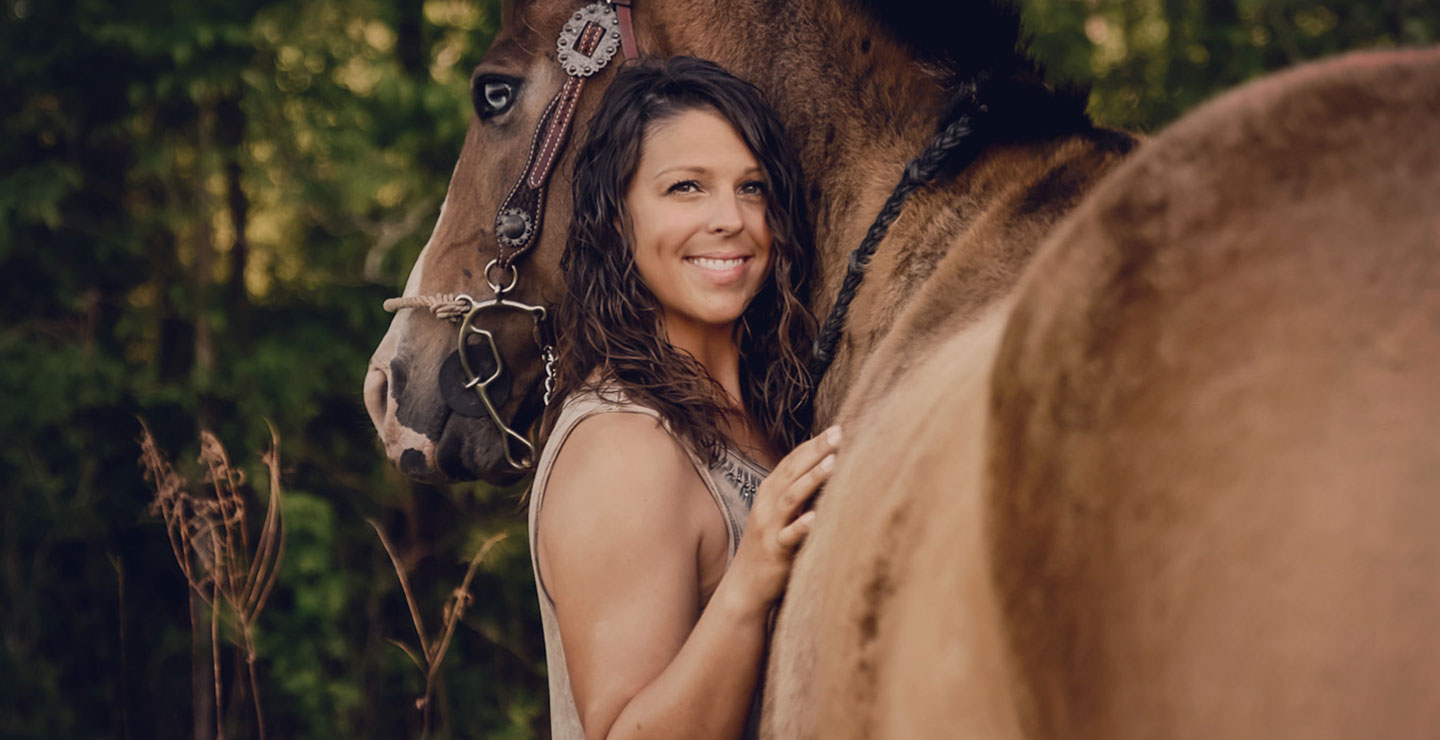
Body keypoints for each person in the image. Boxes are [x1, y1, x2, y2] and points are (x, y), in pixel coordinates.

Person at [527, 56, 842, 740]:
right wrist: (750, 581)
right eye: (686, 188)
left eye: (752, 187)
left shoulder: (772, 410)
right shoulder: (624, 447)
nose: (729, 219)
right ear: (617, 220)